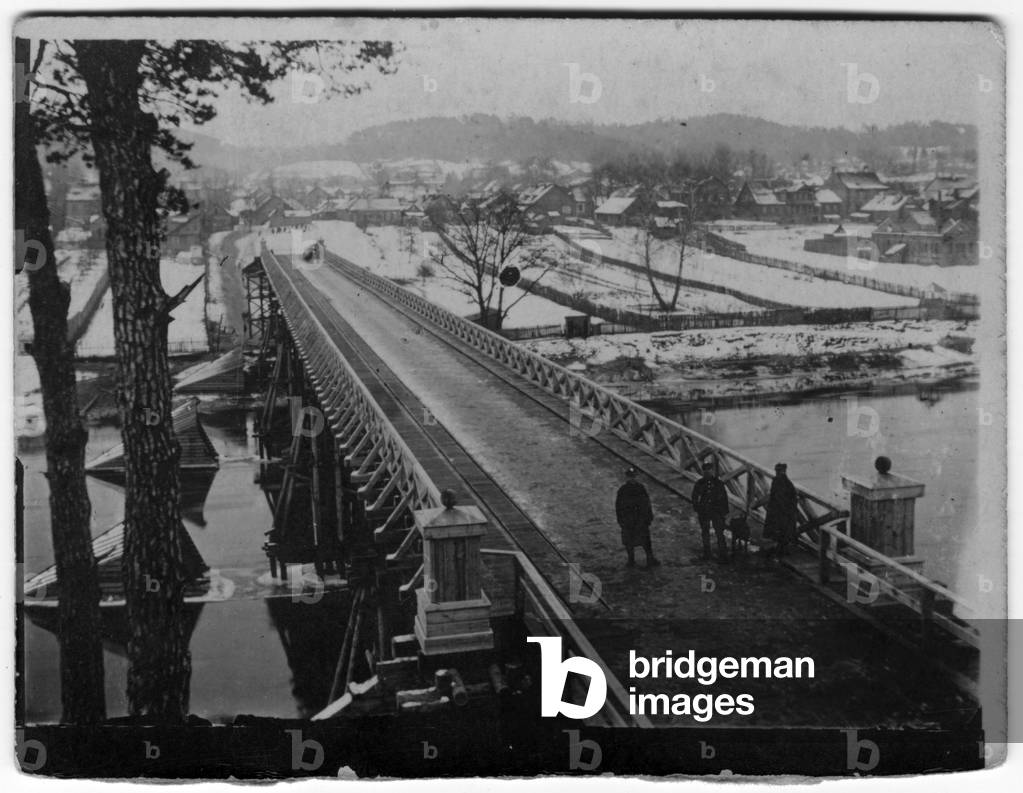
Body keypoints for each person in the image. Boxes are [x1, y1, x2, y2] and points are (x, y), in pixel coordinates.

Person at [615, 467, 660, 568]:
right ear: (627, 477)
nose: (633, 479)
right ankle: (631, 560)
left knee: (646, 541)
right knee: (629, 541)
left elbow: (647, 503)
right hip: (629, 521)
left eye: (634, 476)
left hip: (641, 519)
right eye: (630, 477)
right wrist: (621, 520)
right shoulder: (623, 490)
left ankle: (650, 559)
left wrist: (649, 516)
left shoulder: (641, 488)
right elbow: (619, 506)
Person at [691, 460, 729, 562]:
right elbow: (694, 497)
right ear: (702, 471)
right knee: (705, 532)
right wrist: (697, 508)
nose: (707, 471)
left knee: (719, 533)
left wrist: (724, 513)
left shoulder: (718, 483)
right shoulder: (699, 483)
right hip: (704, 511)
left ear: (712, 470)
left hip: (716, 512)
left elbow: (724, 498)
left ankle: (723, 555)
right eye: (705, 470)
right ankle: (707, 554)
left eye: (709, 469)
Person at [763, 462, 799, 557]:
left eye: (779, 471)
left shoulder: (778, 481)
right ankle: (782, 548)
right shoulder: (785, 482)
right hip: (783, 511)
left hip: (781, 511)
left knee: (781, 530)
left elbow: (777, 496)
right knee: (783, 531)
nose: (778, 473)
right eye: (778, 471)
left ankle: (781, 549)